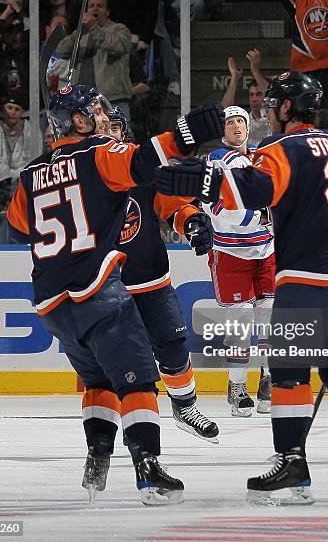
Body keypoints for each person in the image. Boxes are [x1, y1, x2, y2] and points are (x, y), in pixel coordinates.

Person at [155, 72, 328, 505]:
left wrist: (202, 182)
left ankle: (292, 466)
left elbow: (257, 190)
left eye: (272, 104)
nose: (268, 111)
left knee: (290, 374)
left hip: (309, 277)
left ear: (287, 108)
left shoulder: (281, 148)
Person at [7, 84, 224, 505]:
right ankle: (148, 469)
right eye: (97, 112)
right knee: (140, 380)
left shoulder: (30, 174)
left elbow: (19, 228)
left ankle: (99, 453)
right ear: (80, 120)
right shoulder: (102, 155)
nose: (106, 118)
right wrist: (187, 131)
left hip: (53, 303)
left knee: (97, 379)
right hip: (100, 293)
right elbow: (147, 158)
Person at [83, 106, 219, 443]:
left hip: (151, 280)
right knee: (119, 368)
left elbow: (173, 205)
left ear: (124, 133)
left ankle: (185, 407)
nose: (108, 134)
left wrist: (191, 221)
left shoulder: (140, 168)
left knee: (174, 349)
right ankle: (118, 433)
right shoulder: (81, 172)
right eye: (103, 128)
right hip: (103, 288)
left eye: (115, 128)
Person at [203, 105, 275, 416]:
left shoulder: (260, 157)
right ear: (223, 131)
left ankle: (269, 379)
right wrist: (259, 217)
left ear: (247, 127)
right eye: (230, 123)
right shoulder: (216, 160)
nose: (235, 127)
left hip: (267, 251)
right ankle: (237, 386)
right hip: (231, 253)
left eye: (240, 122)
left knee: (270, 319)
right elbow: (214, 208)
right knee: (241, 322)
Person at [55, 0, 132, 119]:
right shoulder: (82, 34)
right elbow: (61, 51)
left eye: (100, 6)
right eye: (91, 6)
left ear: (107, 12)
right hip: (83, 101)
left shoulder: (119, 29)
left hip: (112, 99)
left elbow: (117, 47)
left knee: (117, 136)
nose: (95, 9)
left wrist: (93, 28)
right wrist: (78, 33)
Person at [221, 50, 271, 147]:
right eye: (251, 95)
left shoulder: (273, 119)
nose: (254, 99)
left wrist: (256, 72)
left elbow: (271, 95)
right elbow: (224, 111)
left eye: (259, 94)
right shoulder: (244, 122)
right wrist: (234, 78)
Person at [0, 94, 35, 183]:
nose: (12, 112)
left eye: (17, 109)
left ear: (22, 112)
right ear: (3, 110)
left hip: (24, 180)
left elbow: (33, 161)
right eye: (9, 108)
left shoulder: (33, 132)